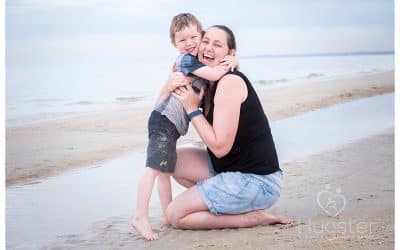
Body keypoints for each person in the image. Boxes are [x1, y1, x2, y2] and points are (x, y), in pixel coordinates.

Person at [165, 25, 293, 230]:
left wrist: (192, 108)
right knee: (170, 158)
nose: (208, 48)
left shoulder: (229, 82)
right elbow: (159, 107)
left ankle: (249, 218)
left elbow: (219, 148)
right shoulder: (207, 82)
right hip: (228, 170)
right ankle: (223, 201)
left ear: (230, 54)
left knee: (174, 215)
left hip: (257, 182)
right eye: (205, 42)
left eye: (217, 45)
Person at [131, 14, 238, 241]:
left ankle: (167, 214)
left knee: (165, 172)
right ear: (174, 44)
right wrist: (232, 61)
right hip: (164, 121)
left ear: (201, 35)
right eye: (182, 40)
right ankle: (140, 216)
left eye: (193, 37)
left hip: (168, 123)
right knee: (153, 169)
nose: (189, 43)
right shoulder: (186, 61)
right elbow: (214, 73)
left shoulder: (195, 61)